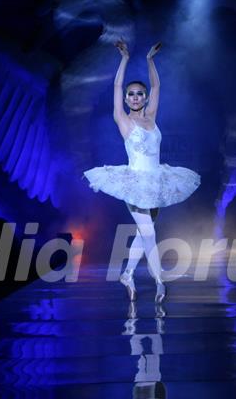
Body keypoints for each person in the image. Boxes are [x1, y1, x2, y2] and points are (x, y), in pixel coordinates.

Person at [83, 39, 201, 303]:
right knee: (149, 233)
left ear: (144, 98)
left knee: (141, 233)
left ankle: (127, 274)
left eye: (139, 93)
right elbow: (115, 85)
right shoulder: (122, 120)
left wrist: (150, 60)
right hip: (134, 182)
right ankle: (160, 282)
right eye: (131, 94)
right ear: (126, 99)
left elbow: (158, 85)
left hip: (157, 180)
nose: (135, 97)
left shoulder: (152, 117)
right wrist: (124, 59)